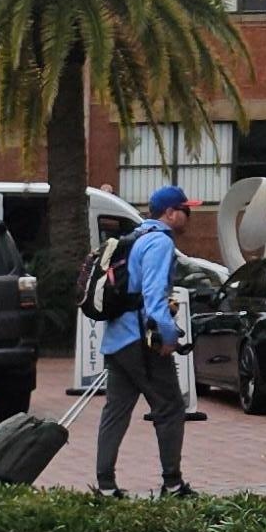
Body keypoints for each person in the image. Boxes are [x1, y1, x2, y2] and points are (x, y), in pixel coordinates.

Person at [93, 185, 196, 501]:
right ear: (170, 213)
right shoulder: (159, 243)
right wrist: (167, 337)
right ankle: (173, 485)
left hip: (117, 340)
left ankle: (106, 485)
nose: (188, 217)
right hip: (141, 341)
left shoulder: (134, 238)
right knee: (170, 407)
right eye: (186, 210)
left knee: (116, 411)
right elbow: (153, 297)